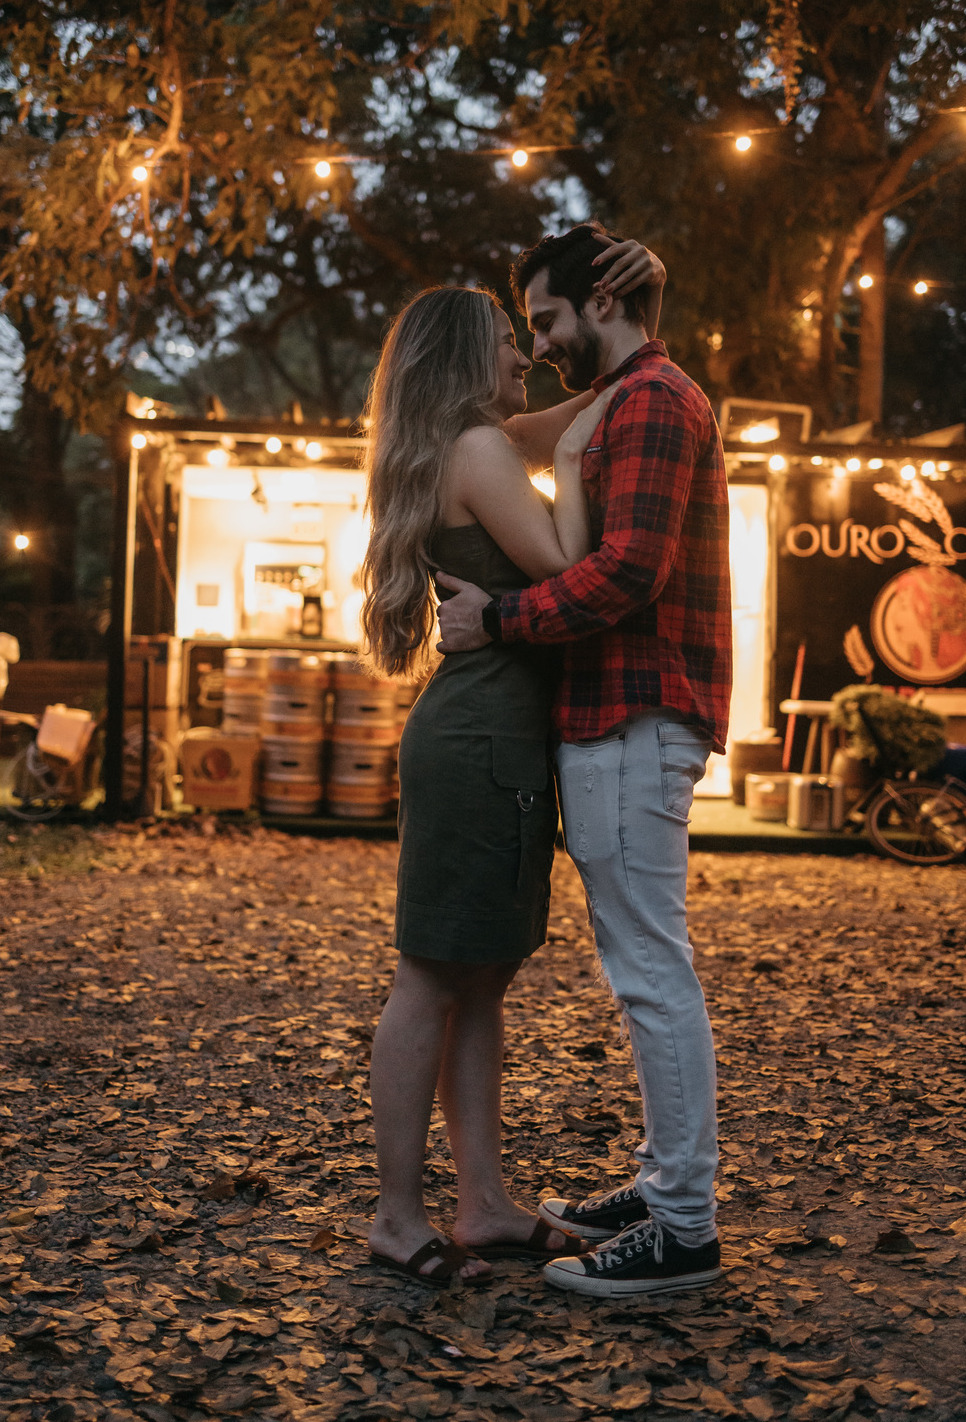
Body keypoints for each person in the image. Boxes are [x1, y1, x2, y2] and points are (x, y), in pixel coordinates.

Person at [362, 238, 666, 1289]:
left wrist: (634, 342)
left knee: (482, 981)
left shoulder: (471, 439)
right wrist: (579, 467)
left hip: (495, 736)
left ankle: (483, 1203)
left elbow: (579, 406)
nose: (524, 355)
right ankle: (398, 1218)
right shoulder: (479, 452)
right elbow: (568, 568)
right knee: (429, 977)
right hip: (480, 740)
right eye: (506, 339)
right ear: (464, 358)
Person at [436, 222, 731, 1297]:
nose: (541, 342)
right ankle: (663, 1190)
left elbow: (627, 574)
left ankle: (685, 1226)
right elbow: (523, 430)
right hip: (622, 715)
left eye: (549, 318)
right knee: (644, 964)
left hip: (634, 713)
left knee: (651, 970)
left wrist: (498, 620)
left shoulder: (651, 402)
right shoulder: (631, 396)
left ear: (600, 305)